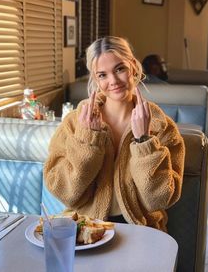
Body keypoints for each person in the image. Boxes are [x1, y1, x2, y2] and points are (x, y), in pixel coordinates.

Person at [44, 36, 185, 232]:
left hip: (142, 231)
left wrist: (144, 141)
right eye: (102, 75)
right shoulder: (74, 123)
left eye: (120, 69)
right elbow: (66, 193)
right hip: (86, 228)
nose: (113, 81)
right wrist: (87, 141)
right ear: (95, 79)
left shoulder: (162, 127)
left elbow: (161, 199)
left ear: (133, 68)